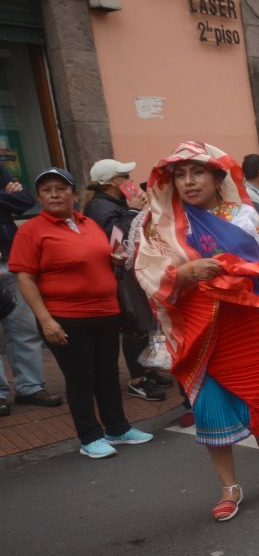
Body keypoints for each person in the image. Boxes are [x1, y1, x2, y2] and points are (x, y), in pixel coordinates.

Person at [132, 142, 259, 521]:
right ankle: (229, 485)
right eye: (181, 174)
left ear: (217, 177)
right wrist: (186, 273)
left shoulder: (242, 216)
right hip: (198, 328)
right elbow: (146, 273)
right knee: (207, 409)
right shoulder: (161, 223)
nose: (189, 182)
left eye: (197, 173)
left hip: (247, 322)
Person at [10, 167, 153, 458]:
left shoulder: (87, 223)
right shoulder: (31, 230)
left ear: (74, 194)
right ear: (39, 197)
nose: (54, 195)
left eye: (61, 189)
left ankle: (117, 428)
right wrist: (45, 320)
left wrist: (115, 257)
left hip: (105, 313)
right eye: (47, 190)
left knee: (108, 375)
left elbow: (98, 257)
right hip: (66, 318)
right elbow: (25, 278)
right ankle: (90, 437)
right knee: (81, 379)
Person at [82, 159, 167, 402]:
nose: (129, 180)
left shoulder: (111, 202)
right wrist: (132, 212)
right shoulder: (101, 207)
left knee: (144, 323)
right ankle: (138, 380)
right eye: (124, 176)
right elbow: (116, 242)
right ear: (110, 182)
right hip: (120, 276)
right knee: (135, 324)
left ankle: (147, 369)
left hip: (131, 273)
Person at [0, 163, 61, 417]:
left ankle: (30, 387)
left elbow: (24, 200)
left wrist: (14, 196)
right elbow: (13, 201)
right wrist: (7, 196)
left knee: (24, 328)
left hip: (10, 259)